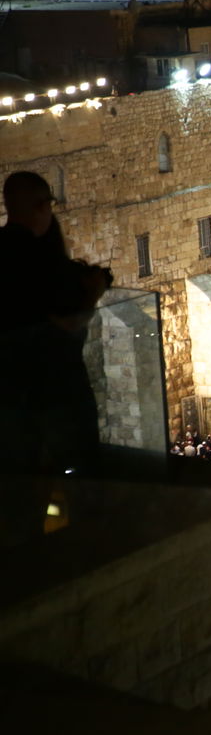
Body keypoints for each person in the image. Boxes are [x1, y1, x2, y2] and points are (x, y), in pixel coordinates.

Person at [0, 170, 110, 543]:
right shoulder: (43, 262)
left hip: (10, 395)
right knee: (79, 477)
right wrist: (92, 294)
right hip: (56, 391)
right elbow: (66, 324)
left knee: (23, 486)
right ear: (43, 205)